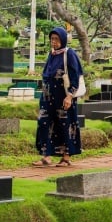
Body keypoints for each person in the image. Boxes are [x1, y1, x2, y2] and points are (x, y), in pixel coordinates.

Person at [33, 27, 83, 167]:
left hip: (63, 96)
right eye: (52, 39)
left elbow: (75, 76)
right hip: (48, 97)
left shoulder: (69, 54)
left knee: (65, 125)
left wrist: (69, 96)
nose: (53, 42)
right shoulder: (52, 54)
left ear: (63, 40)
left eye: (56, 39)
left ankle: (66, 157)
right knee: (45, 123)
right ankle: (46, 156)